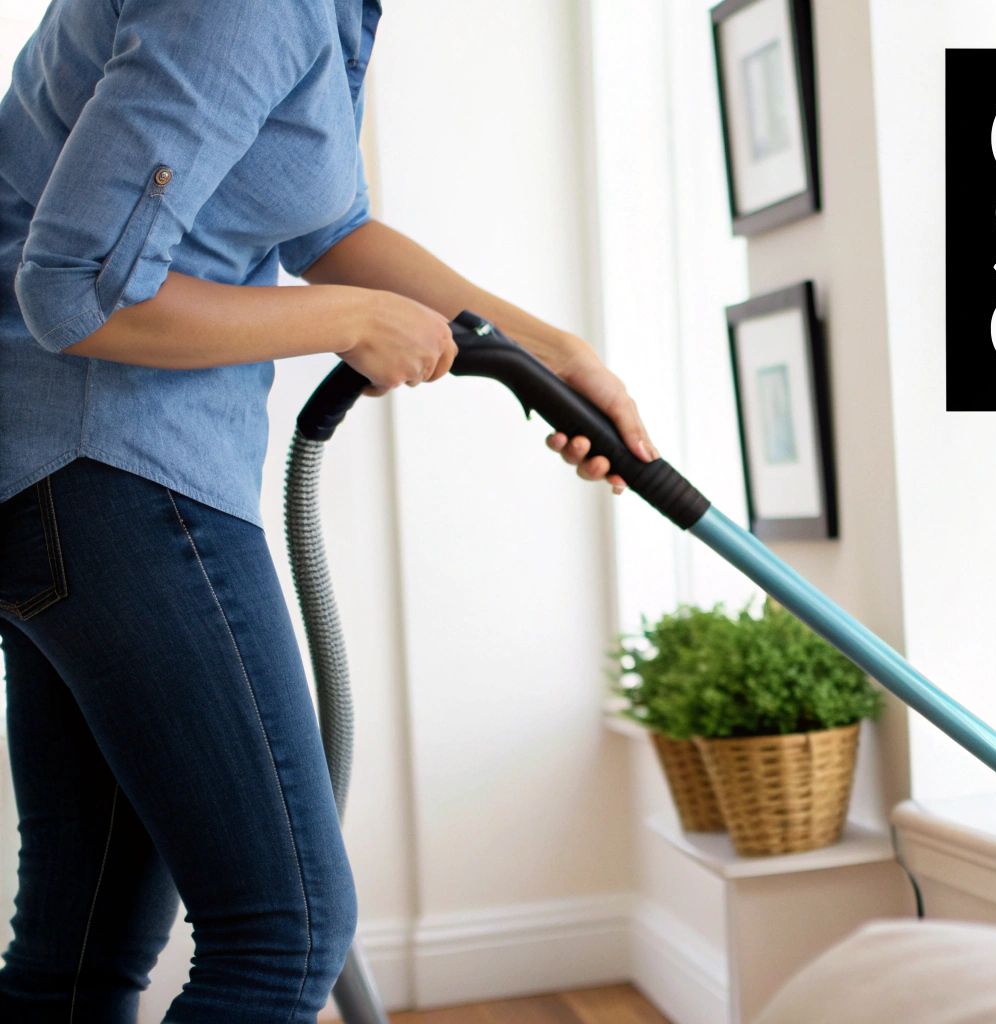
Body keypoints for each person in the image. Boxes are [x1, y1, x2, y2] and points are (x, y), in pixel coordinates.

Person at [0, 1, 649, 1019]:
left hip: (54, 486)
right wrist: (351, 322)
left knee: (76, 954)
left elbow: (323, 228)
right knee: (285, 930)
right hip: (114, 473)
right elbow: (80, 288)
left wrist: (546, 358)